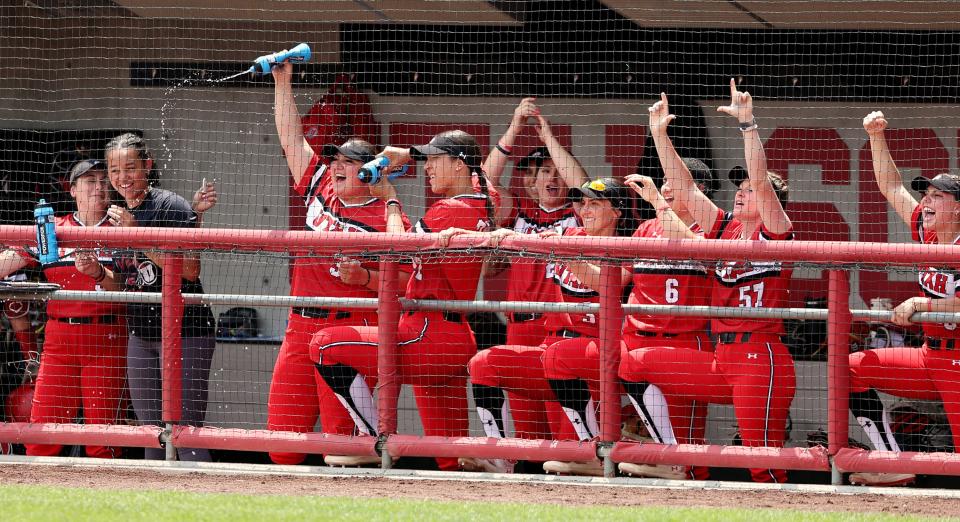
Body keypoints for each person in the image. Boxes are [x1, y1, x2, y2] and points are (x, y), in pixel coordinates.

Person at [619, 82, 796, 483]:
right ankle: (672, 456)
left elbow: (764, 185)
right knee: (633, 361)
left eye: (748, 190)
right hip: (721, 357)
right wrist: (660, 136)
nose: (741, 193)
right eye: (739, 188)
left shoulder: (776, 230)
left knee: (762, 464)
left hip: (760, 357)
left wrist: (748, 125)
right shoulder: (727, 229)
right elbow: (685, 187)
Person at [309, 130, 494, 472]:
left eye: (436, 160)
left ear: (459, 165)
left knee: (324, 344)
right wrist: (408, 153)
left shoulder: (451, 208)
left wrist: (391, 199)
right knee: (450, 459)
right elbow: (483, 176)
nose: (428, 168)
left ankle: (371, 440)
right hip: (452, 334)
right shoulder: (481, 199)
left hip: (428, 334)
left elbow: (397, 251)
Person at [269, 62, 412, 467]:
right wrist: (283, 82)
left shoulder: (386, 215)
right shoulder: (321, 184)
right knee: (282, 445)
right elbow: (292, 139)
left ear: (369, 172)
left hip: (347, 332)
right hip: (299, 326)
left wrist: (365, 276)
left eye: (348, 163)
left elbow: (405, 281)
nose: (337, 166)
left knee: (345, 448)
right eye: (336, 159)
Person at [469, 177, 636, 477]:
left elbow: (609, 283)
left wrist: (566, 254)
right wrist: (504, 235)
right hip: (553, 352)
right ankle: (501, 454)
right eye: (582, 203)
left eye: (595, 203)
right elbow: (533, 239)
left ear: (617, 211)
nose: (586, 209)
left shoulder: (625, 245)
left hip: (596, 359)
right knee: (484, 363)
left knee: (569, 457)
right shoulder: (570, 233)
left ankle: (593, 451)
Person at [844, 111, 960, 487]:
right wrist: (876, 136)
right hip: (931, 355)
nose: (925, 203)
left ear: (957, 207)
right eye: (925, 195)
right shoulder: (928, 236)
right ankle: (889, 461)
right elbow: (891, 187)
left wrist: (921, 304)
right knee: (849, 368)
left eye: (936, 197)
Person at [86, 133, 217, 461]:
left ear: (147, 166)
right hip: (141, 333)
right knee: (150, 432)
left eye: (129, 168)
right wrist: (99, 275)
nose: (122, 178)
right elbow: (128, 280)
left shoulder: (169, 205)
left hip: (186, 329)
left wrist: (136, 235)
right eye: (114, 171)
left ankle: (200, 502)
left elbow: (190, 269)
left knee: (185, 431)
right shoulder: (115, 215)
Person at [0, 160, 126, 458]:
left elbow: (129, 291)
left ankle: (108, 501)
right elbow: (9, 261)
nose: (99, 186)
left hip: (107, 334)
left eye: (103, 180)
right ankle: (34, 503)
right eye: (89, 181)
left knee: (102, 438)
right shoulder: (53, 226)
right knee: (42, 433)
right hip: (59, 337)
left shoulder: (124, 228)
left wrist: (98, 273)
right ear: (72, 190)